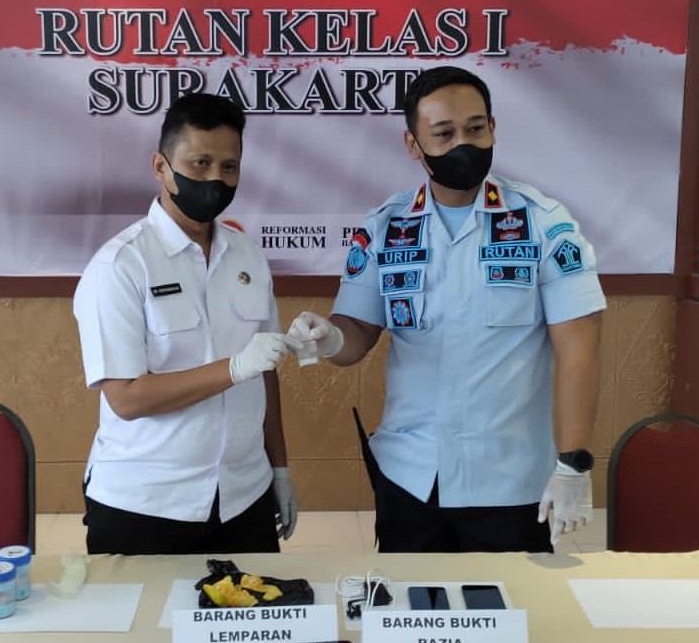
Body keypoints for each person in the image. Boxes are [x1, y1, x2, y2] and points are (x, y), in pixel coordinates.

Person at [287, 66, 605, 553]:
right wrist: (329, 337)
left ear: (493, 128)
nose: (463, 145)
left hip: (510, 480)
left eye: (475, 129)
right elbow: (356, 334)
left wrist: (573, 463)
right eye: (444, 134)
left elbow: (579, 351)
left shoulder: (542, 223)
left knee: (509, 603)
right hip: (409, 476)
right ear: (413, 145)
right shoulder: (387, 227)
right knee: (410, 602)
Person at [72, 93, 298, 555]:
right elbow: (127, 398)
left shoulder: (248, 256)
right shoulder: (120, 265)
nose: (215, 178)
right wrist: (233, 368)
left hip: (243, 496)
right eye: (200, 163)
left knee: (256, 605)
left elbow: (265, 376)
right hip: (146, 504)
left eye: (229, 167)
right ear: (160, 166)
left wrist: (278, 468)